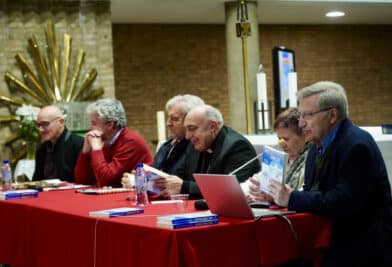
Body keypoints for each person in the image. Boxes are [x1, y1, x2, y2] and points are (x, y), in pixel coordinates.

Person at [268, 81, 392, 267]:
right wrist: (275, 195)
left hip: (359, 249)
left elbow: (343, 201)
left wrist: (292, 198)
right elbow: (314, 193)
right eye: (300, 115)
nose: (301, 123)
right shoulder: (316, 147)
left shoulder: (356, 145)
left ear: (332, 115)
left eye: (307, 115)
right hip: (330, 241)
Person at [156, 104, 261, 199]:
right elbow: (182, 176)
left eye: (192, 128)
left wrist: (185, 187)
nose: (187, 136)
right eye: (186, 129)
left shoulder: (237, 147)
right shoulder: (195, 144)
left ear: (212, 126)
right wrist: (168, 185)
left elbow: (231, 190)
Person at [121, 94, 204, 188]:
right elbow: (157, 174)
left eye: (174, 119)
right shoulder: (165, 146)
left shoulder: (196, 147)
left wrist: (142, 182)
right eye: (168, 118)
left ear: (191, 120)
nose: (168, 123)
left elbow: (179, 181)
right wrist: (141, 177)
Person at [74, 98, 153, 187]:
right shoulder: (104, 139)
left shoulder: (131, 141)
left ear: (110, 125)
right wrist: (85, 152)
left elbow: (106, 181)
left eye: (94, 123)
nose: (90, 128)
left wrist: (96, 150)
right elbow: (81, 180)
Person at [246, 108, 310, 200]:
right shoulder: (280, 157)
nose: (281, 143)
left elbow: (303, 195)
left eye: (286, 139)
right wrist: (251, 190)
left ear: (304, 136)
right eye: (279, 138)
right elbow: (261, 179)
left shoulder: (311, 158)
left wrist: (274, 196)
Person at [33, 105, 83, 182]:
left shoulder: (78, 144)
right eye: (38, 125)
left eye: (45, 124)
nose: (40, 129)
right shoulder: (41, 149)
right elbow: (36, 181)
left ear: (61, 122)